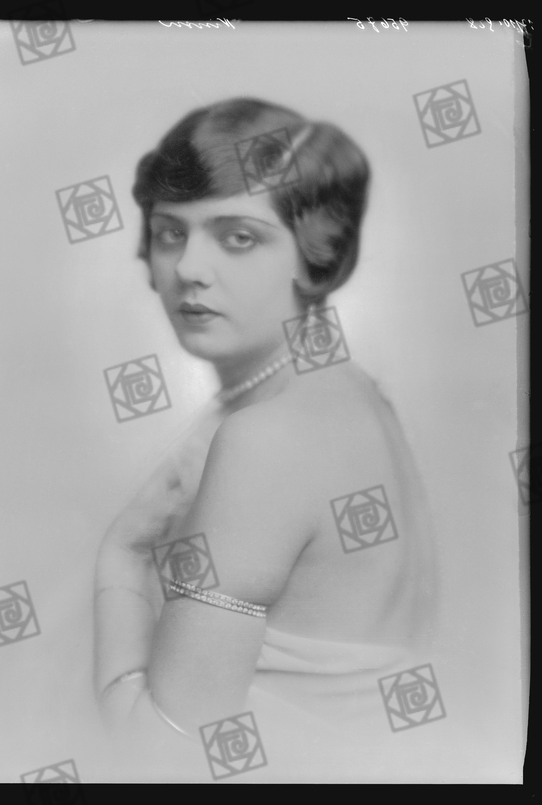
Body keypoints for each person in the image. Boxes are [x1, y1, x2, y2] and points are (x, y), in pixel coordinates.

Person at [93, 97, 438, 782]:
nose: (189, 267)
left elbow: (160, 757)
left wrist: (120, 557)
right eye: (170, 232)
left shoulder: (269, 438)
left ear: (316, 255)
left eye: (238, 237)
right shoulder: (345, 391)